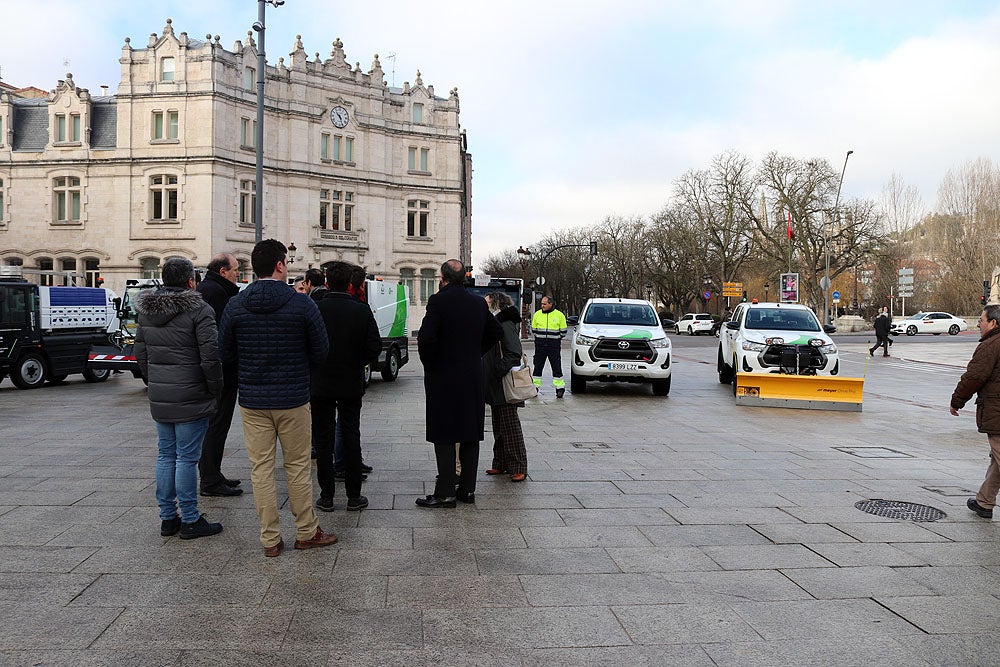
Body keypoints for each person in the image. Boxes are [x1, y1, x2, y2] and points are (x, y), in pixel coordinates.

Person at [219, 239, 337, 557]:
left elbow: (224, 352)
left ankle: (270, 539)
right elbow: (321, 350)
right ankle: (306, 531)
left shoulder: (236, 304)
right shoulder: (302, 304)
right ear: (281, 265)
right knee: (297, 466)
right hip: (294, 398)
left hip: (253, 400)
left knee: (261, 468)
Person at [134, 257, 224, 540]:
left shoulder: (146, 310)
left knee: (165, 454)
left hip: (162, 395)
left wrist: (155, 381)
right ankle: (190, 518)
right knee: (186, 458)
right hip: (192, 394)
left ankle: (167, 517)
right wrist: (214, 389)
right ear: (190, 281)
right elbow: (211, 357)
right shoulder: (200, 310)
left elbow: (140, 353)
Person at [415, 259, 503, 508]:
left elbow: (426, 338)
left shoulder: (438, 301)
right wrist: (474, 353)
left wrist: (431, 363)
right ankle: (467, 490)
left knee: (443, 433)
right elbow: (495, 333)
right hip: (472, 376)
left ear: (443, 279)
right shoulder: (477, 302)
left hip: (444, 376)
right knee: (469, 433)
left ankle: (445, 492)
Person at [311, 261, 381, 512]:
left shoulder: (315, 308)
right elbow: (374, 347)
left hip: (320, 382)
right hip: (350, 381)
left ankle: (327, 495)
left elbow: (305, 344)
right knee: (351, 435)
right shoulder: (361, 310)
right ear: (351, 284)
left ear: (327, 282)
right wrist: (356, 362)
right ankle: (353, 496)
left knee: (323, 439)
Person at [195, 252, 243, 497]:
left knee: (216, 424)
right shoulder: (217, 293)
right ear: (223, 271)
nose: (238, 273)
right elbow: (223, 335)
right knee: (217, 424)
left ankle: (213, 472)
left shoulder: (211, 289)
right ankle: (211, 479)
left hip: (217, 370)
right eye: (235, 269)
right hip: (221, 371)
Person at [951, 304, 1000, 519]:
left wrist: (957, 400)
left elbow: (974, 377)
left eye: (981, 320)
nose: (978, 324)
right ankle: (984, 502)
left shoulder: (991, 345)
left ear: (993, 323)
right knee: (996, 460)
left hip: (997, 412)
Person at [483, 291, 529, 483]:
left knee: (510, 426)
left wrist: (496, 371)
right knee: (499, 425)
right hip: (495, 383)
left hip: (504, 382)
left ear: (496, 304)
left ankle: (518, 466)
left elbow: (513, 353)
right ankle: (500, 463)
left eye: (486, 302)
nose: (483, 305)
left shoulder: (505, 323)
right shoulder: (495, 322)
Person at [530, 295, 568, 397]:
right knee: (538, 366)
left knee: (556, 366)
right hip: (540, 345)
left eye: (544, 304)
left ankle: (560, 388)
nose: (542, 305)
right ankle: (535, 387)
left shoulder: (559, 315)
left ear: (551, 304)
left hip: (553, 346)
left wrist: (554, 338)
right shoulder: (537, 314)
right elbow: (533, 329)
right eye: (542, 303)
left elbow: (563, 332)